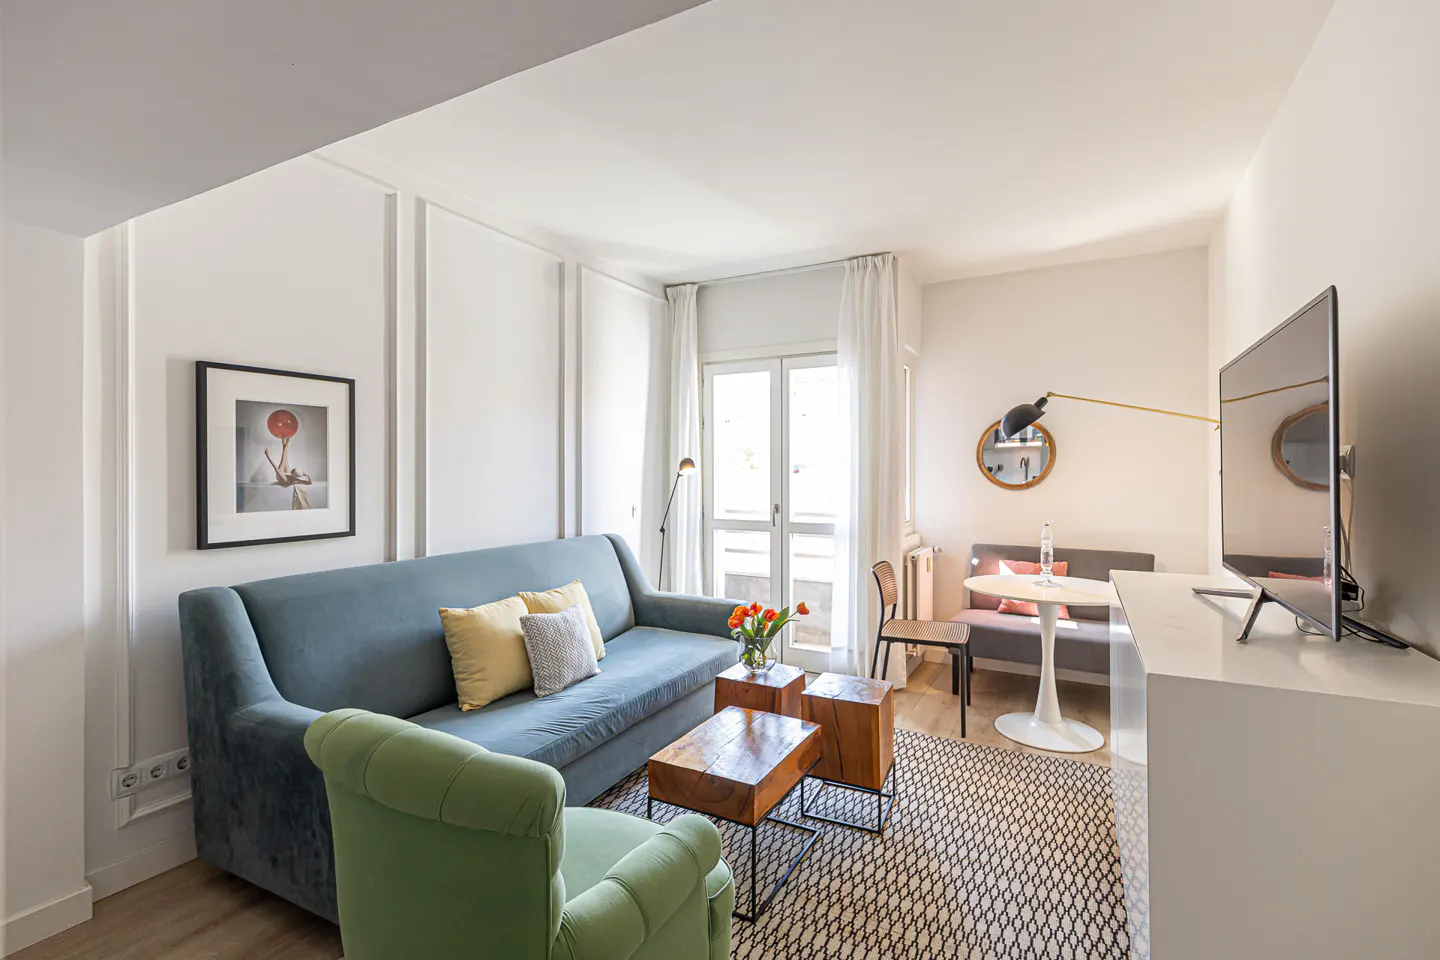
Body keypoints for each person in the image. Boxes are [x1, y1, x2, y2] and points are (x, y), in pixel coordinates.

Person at [263, 436, 314, 510]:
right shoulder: (296, 479)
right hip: (288, 476)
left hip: (280, 476)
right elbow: (310, 482)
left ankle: (286, 442)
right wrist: (306, 475)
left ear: (292, 474)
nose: (291, 469)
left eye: (292, 470)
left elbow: (275, 468)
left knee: (283, 459)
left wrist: (267, 456)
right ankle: (284, 442)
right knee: (285, 458)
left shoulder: (286, 479)